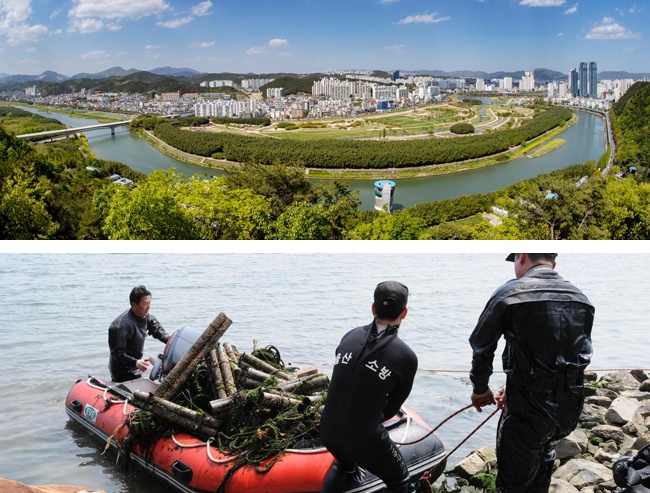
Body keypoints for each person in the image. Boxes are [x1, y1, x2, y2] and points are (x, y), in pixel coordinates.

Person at [469, 253, 594, 493]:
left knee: (512, 485)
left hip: (526, 413)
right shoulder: (581, 299)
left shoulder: (510, 294)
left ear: (522, 257)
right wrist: (513, 383)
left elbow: (482, 347)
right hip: (566, 412)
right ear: (553, 264)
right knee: (543, 464)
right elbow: (577, 358)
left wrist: (480, 388)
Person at [320, 281, 418, 493]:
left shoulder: (349, 336)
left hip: (327, 429)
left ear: (373, 308)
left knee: (344, 465)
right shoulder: (406, 357)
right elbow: (391, 409)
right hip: (361, 434)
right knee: (400, 483)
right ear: (405, 313)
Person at [108, 285, 170, 383]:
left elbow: (159, 332)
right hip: (121, 371)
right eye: (145, 304)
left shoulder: (145, 317)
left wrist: (172, 341)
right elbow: (117, 353)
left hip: (136, 364)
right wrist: (135, 362)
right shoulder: (120, 326)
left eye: (150, 302)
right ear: (134, 305)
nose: (149, 307)